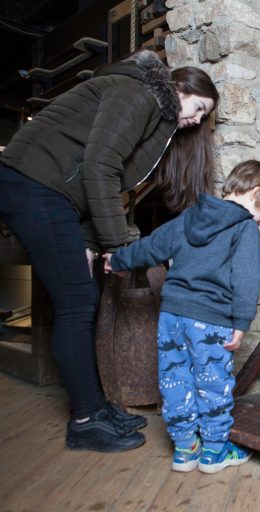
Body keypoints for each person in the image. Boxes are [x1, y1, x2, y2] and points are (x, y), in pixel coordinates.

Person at [0, 49, 219, 453]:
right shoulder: (139, 94)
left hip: (51, 194)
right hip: (32, 184)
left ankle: (95, 408)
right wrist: (118, 247)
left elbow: (90, 175)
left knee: (81, 300)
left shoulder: (154, 110)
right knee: (77, 302)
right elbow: (101, 166)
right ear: (180, 88)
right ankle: (85, 420)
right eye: (199, 107)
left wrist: (87, 242)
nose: (198, 119)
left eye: (205, 116)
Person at [104, 160, 260, 473]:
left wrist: (119, 259)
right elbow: (246, 277)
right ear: (255, 194)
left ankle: (186, 449)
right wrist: (241, 321)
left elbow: (153, 246)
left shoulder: (190, 216)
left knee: (175, 379)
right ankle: (214, 450)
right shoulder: (243, 227)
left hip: (171, 315)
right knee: (213, 383)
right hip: (209, 319)